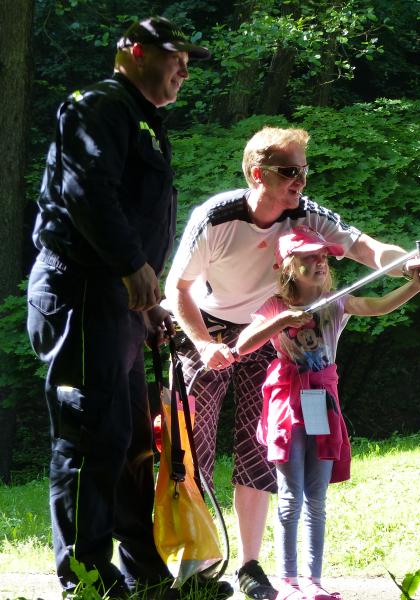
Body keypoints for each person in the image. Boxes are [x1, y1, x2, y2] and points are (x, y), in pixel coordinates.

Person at [164, 126, 420, 599]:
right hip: (204, 326)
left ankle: (249, 566)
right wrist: (205, 344)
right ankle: (195, 566)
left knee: (259, 448)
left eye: (304, 171)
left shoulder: (307, 214)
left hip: (270, 328)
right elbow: (178, 288)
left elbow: (365, 247)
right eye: (290, 171)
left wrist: (408, 265)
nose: (301, 181)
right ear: (258, 175)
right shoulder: (215, 217)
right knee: (193, 447)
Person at [24, 16, 227, 598]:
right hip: (80, 290)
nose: (183, 70)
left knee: (134, 439)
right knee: (91, 432)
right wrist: (131, 265)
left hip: (118, 301)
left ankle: (145, 575)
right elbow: (85, 191)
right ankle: (86, 577)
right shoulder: (96, 106)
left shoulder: (142, 120)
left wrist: (147, 301)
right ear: (135, 52)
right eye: (174, 57)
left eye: (188, 62)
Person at [234, 226, 420, 600]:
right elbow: (243, 345)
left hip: (323, 401)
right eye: (310, 257)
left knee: (317, 497)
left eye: (324, 256)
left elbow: (378, 306)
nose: (321, 262)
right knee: (290, 496)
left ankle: (313, 581)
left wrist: (416, 285)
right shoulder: (275, 305)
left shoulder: (336, 300)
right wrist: (280, 321)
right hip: (287, 404)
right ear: (289, 265)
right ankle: (288, 581)